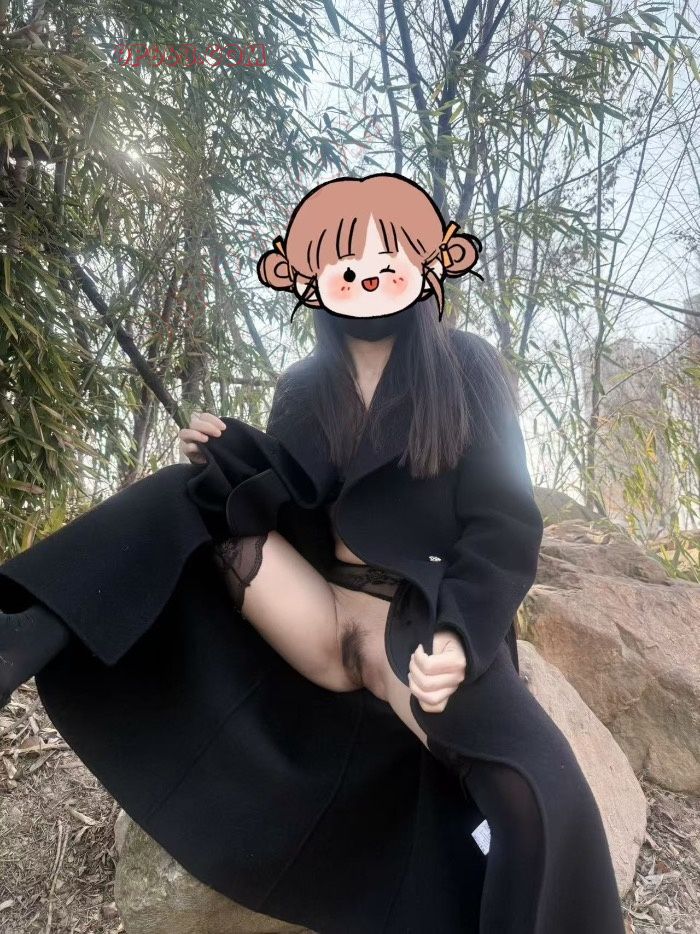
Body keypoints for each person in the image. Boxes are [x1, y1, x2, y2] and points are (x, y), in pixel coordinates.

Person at [0, 173, 626, 933]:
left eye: (388, 261)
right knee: (183, 492)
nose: (367, 279)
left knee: (534, 792)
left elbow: (503, 523)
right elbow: (287, 493)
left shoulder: (465, 366)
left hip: (409, 620)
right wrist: (224, 452)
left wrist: (461, 634)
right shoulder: (305, 384)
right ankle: (17, 635)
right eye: (344, 267)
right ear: (308, 280)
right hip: (315, 611)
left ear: (430, 264)